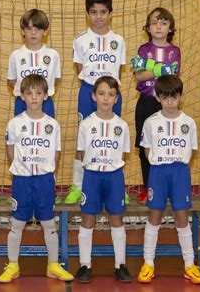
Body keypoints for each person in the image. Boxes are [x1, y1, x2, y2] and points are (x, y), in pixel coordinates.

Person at [0, 74, 74, 283]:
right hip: (22, 181)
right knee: (17, 224)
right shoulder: (14, 123)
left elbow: (56, 154)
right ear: (22, 96)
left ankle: (52, 265)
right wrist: (21, 169)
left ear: (45, 96)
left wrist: (45, 170)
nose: (33, 97)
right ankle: (13, 264)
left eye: (38, 93)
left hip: (44, 180)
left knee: (49, 224)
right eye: (29, 93)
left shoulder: (53, 125)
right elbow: (10, 150)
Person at [137, 75, 200, 285]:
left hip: (179, 173)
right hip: (158, 173)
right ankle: (148, 263)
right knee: (154, 215)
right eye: (165, 97)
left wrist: (179, 162)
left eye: (173, 97)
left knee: (181, 217)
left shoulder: (188, 122)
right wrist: (156, 160)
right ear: (157, 97)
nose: (169, 102)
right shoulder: (151, 122)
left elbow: (192, 150)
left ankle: (189, 265)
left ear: (181, 97)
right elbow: (146, 148)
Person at [65, 0, 127, 205]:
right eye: (94, 12)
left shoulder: (118, 40)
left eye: (103, 12)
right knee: (84, 137)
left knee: (114, 136)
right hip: (88, 91)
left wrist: (108, 93)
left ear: (110, 13)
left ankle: (119, 186)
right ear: (87, 14)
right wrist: (94, 90)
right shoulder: (80, 40)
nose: (98, 16)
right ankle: (77, 185)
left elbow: (117, 70)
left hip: (111, 92)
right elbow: (80, 68)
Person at [74, 76, 132, 284]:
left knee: (116, 219)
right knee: (88, 219)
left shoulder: (122, 125)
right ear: (93, 96)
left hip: (114, 176)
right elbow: (80, 153)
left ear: (116, 98)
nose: (106, 98)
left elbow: (124, 154)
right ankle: (84, 265)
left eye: (111, 94)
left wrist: (109, 164)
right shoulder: (86, 124)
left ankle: (120, 265)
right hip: (92, 176)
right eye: (101, 93)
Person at [131, 7, 180, 203]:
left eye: (164, 22)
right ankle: (147, 188)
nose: (158, 26)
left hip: (167, 104)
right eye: (154, 23)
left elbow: (172, 77)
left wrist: (151, 68)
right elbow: (139, 74)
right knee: (146, 146)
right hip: (146, 102)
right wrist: (161, 69)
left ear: (170, 28)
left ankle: (167, 188)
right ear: (148, 27)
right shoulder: (144, 50)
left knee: (166, 145)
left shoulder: (174, 51)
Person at [7, 9, 61, 117]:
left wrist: (41, 92)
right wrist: (26, 93)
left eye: (38, 28)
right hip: (22, 102)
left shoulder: (53, 54)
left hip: (45, 103)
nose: (33, 32)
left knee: (47, 133)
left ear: (45, 31)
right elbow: (11, 81)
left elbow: (56, 80)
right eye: (29, 28)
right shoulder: (16, 55)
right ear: (22, 31)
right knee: (21, 133)